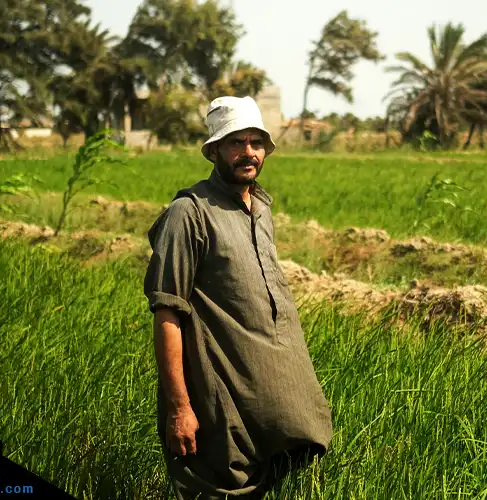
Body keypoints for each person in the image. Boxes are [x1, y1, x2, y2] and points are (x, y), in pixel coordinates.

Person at [143, 96, 333, 499]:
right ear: (214, 150)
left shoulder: (261, 207)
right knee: (220, 486)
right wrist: (180, 408)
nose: (248, 152)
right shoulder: (189, 214)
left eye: (256, 142)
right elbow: (167, 314)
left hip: (274, 397)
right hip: (221, 396)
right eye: (235, 142)